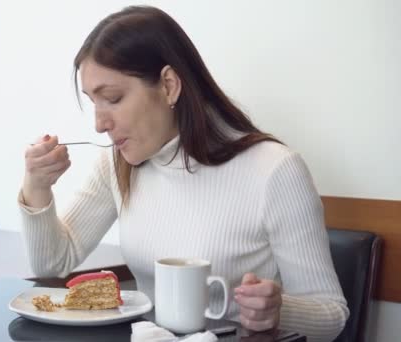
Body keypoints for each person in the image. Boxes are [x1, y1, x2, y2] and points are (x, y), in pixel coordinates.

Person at [18, 5, 348, 340]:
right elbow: (53, 263)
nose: (99, 124)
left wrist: (280, 310)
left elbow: (332, 316)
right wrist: (37, 186)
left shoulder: (275, 170)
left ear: (169, 85)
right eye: (94, 102)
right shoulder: (118, 164)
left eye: (113, 98)